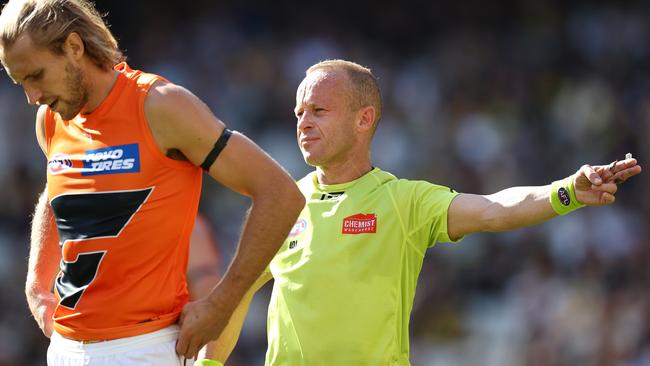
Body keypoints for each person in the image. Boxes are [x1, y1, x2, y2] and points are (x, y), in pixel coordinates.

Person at [195, 59, 642, 366]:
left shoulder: (403, 201)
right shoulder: (284, 201)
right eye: (298, 112)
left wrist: (567, 192)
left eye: (318, 110)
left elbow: (492, 210)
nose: (303, 122)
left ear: (364, 119)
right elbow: (234, 298)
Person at [0, 0, 304, 365]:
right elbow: (58, 189)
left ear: (74, 47)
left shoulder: (161, 106)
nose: (31, 97)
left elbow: (280, 193)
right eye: (20, 83)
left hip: (146, 348)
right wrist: (36, 283)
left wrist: (222, 303)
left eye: (36, 76)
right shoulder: (50, 120)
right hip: (64, 350)